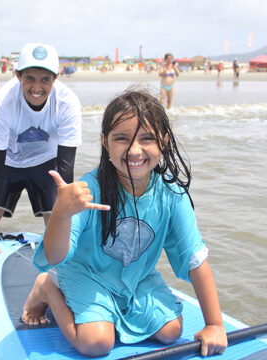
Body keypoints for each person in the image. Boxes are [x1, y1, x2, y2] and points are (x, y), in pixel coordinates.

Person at [21, 89, 227, 357]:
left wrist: (214, 324)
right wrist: (60, 213)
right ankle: (47, 288)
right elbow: (54, 255)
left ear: (163, 142)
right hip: (87, 274)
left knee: (171, 331)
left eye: (147, 139)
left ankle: (113, 311)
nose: (135, 150)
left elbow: (195, 259)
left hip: (137, 277)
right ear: (105, 143)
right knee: (96, 343)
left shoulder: (172, 196)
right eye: (122, 138)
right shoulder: (88, 190)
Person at [0, 42, 82, 269]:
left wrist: (64, 215)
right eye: (29, 78)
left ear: (56, 77)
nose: (37, 87)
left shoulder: (67, 102)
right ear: (17, 75)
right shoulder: (3, 103)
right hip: (7, 165)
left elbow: (65, 169)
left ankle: (66, 274)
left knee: (58, 230)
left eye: (45, 79)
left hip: (47, 165)